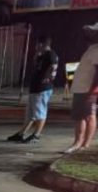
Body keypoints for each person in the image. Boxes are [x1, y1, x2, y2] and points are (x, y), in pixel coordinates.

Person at [7, 36, 59, 144]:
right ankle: (21, 133)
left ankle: (36, 135)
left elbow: (53, 68)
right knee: (30, 113)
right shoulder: (42, 55)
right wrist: (37, 56)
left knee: (40, 112)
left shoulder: (51, 55)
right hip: (35, 87)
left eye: (37, 44)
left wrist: (49, 78)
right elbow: (36, 66)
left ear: (42, 44)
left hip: (42, 88)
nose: (36, 47)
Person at [65, 23, 98, 154]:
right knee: (80, 116)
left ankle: (82, 144)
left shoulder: (97, 50)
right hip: (81, 89)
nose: (90, 34)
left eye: (94, 32)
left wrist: (92, 90)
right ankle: (79, 143)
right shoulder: (92, 49)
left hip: (87, 90)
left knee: (89, 116)